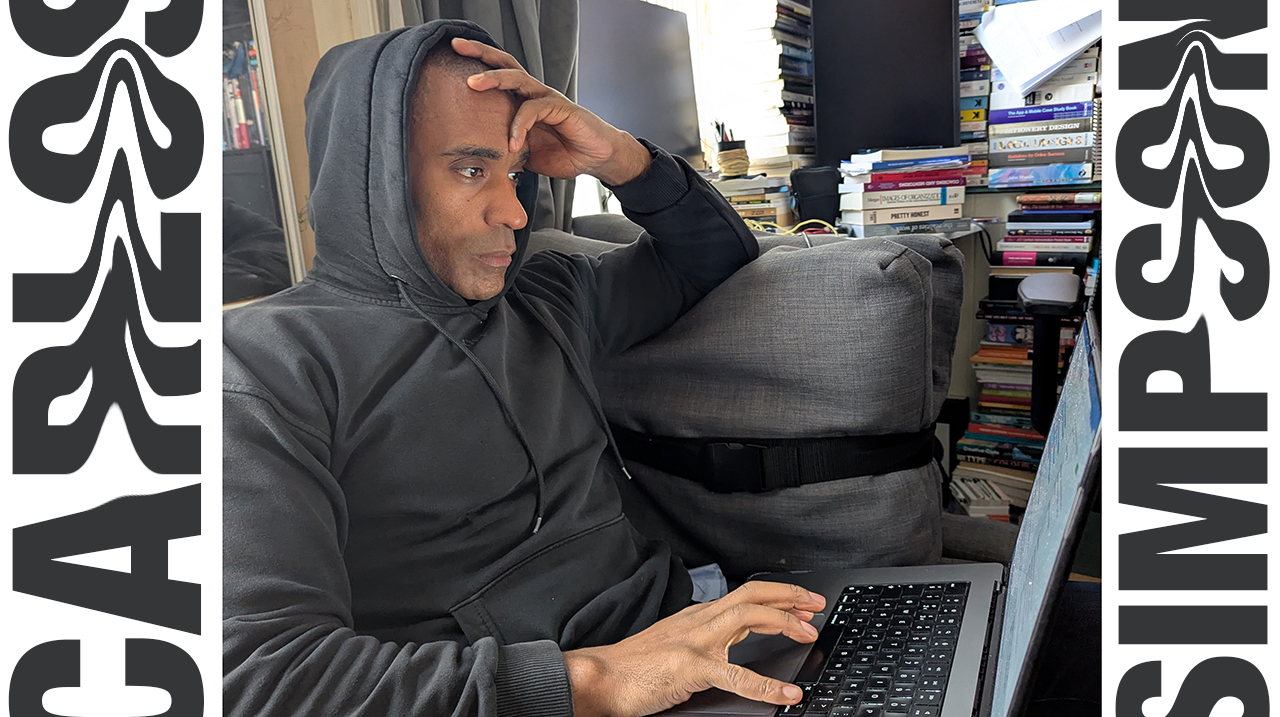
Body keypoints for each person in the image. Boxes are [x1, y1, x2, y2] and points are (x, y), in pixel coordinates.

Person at [223, 19, 824, 717]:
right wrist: (596, 680)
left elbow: (713, 253)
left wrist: (620, 156)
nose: (513, 211)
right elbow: (262, 676)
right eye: (471, 169)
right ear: (373, 176)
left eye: (515, 174)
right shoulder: (266, 366)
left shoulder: (547, 297)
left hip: (694, 643)